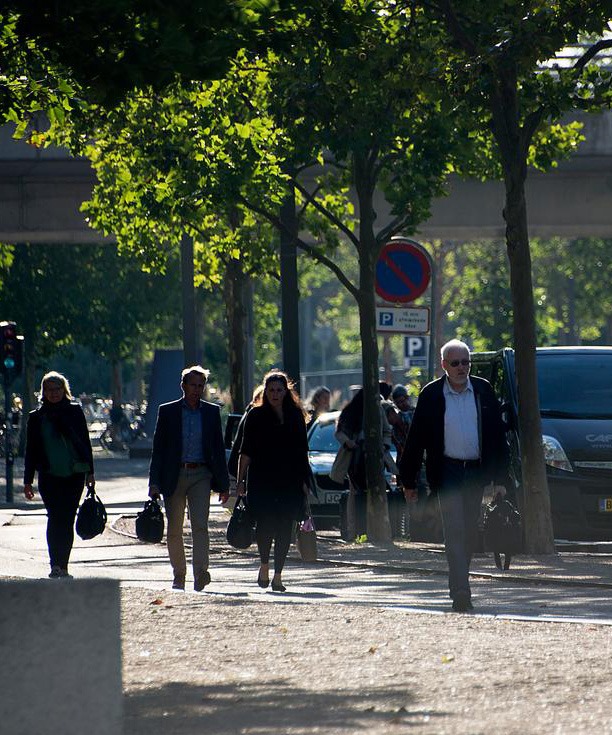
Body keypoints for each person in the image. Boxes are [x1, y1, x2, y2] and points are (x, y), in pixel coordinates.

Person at [399, 339, 509, 613]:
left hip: (475, 472)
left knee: (471, 532)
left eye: (466, 362)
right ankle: (462, 591)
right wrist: (408, 481)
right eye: (456, 363)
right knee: (455, 529)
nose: (462, 368)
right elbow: (416, 440)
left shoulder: (483, 390)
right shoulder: (431, 395)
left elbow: (497, 437)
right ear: (444, 365)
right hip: (446, 470)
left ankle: (458, 581)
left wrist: (502, 479)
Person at [148, 365, 230, 591]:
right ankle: (179, 574)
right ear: (183, 386)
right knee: (174, 528)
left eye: (200, 385)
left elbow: (217, 448)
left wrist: (224, 485)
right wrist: (154, 483)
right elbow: (159, 450)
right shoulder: (168, 411)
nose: (197, 389)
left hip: (201, 474)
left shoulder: (211, 412)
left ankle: (201, 572)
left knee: (200, 526)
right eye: (192, 385)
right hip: (173, 475)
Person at [236, 370, 310, 592]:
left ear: (286, 391)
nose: (275, 394)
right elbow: (245, 450)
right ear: (265, 392)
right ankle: (265, 564)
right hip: (262, 479)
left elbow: (302, 451)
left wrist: (306, 480)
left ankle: (278, 575)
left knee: (285, 527)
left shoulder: (296, 416)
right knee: (265, 524)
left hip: (290, 479)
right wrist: (240, 481)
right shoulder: (255, 416)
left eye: (279, 390)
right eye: (271, 390)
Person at [23, 371, 95, 579]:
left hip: (74, 475)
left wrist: (90, 472)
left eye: (57, 389)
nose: (54, 393)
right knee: (55, 518)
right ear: (43, 392)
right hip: (49, 474)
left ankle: (63, 564)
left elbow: (84, 443)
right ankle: (55, 564)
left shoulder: (74, 412)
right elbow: (31, 450)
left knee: (67, 518)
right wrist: (28, 481)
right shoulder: (36, 417)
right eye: (49, 390)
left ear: (65, 390)